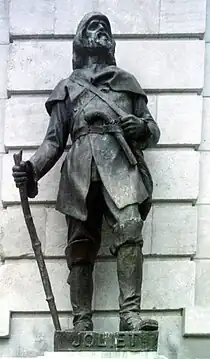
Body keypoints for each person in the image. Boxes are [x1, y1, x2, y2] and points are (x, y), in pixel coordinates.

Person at [12, 12, 160, 332]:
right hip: (79, 167)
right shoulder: (67, 87)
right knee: (79, 241)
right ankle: (81, 322)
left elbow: (152, 130)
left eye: (104, 28)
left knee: (130, 225)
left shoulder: (126, 82)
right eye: (92, 27)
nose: (99, 31)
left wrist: (140, 128)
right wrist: (31, 169)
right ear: (81, 39)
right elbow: (53, 142)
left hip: (120, 163)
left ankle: (130, 316)